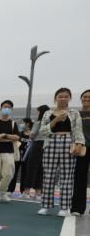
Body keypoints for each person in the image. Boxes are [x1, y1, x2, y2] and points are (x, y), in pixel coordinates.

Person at [38, 88, 86, 217]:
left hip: (68, 142)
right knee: (48, 175)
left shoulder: (74, 113)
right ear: (55, 98)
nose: (63, 98)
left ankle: (64, 207)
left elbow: (78, 130)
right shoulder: (48, 113)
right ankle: (45, 206)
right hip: (51, 142)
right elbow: (42, 131)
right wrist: (56, 119)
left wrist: (80, 144)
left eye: (66, 96)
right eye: (60, 96)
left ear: (69, 98)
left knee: (67, 176)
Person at [0, 100, 19, 203]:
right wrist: (0, 138)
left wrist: (4, 135)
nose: (7, 109)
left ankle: (2, 192)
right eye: (5, 107)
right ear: (0, 109)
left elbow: (16, 137)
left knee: (9, 173)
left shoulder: (13, 123)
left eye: (9, 107)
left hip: (8, 151)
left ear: (12, 110)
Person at [71, 89, 90, 215]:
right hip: (81, 148)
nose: (87, 99)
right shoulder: (75, 114)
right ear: (81, 98)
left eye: (89, 97)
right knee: (79, 178)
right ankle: (77, 208)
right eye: (84, 97)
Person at [24, 105, 49, 200]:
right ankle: (38, 193)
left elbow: (32, 135)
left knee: (31, 168)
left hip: (37, 145)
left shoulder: (38, 122)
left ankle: (26, 192)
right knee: (41, 169)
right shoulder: (50, 123)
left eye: (38, 112)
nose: (37, 114)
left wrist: (29, 133)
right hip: (46, 146)